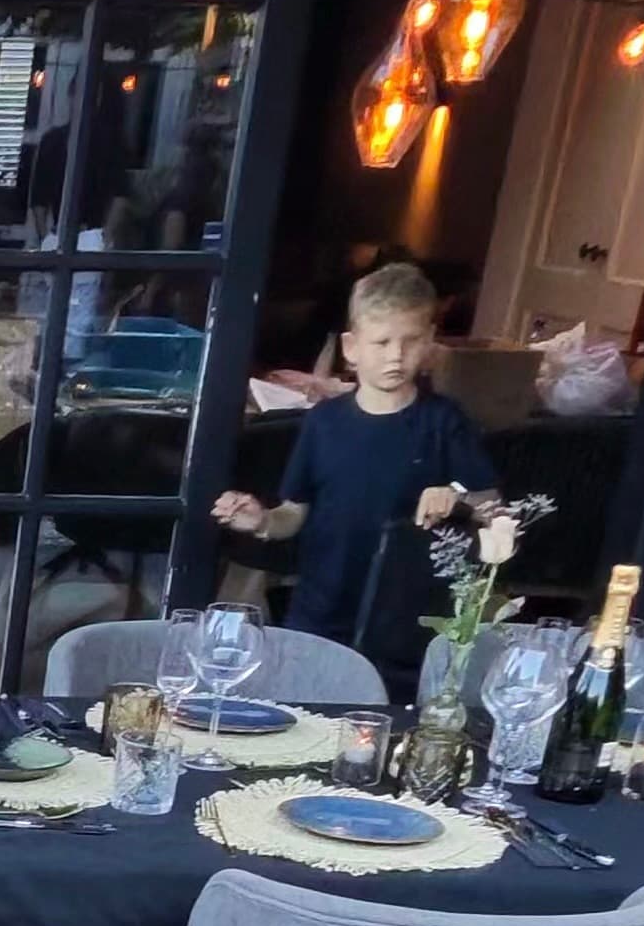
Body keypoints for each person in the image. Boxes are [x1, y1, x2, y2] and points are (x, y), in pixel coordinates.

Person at [211, 257, 500, 663]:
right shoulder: (323, 422)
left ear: (431, 341)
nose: (396, 356)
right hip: (319, 613)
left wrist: (457, 498)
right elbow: (294, 514)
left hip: (408, 618)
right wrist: (261, 522)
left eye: (412, 340)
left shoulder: (445, 422)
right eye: (381, 343)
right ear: (351, 348)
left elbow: (494, 511)